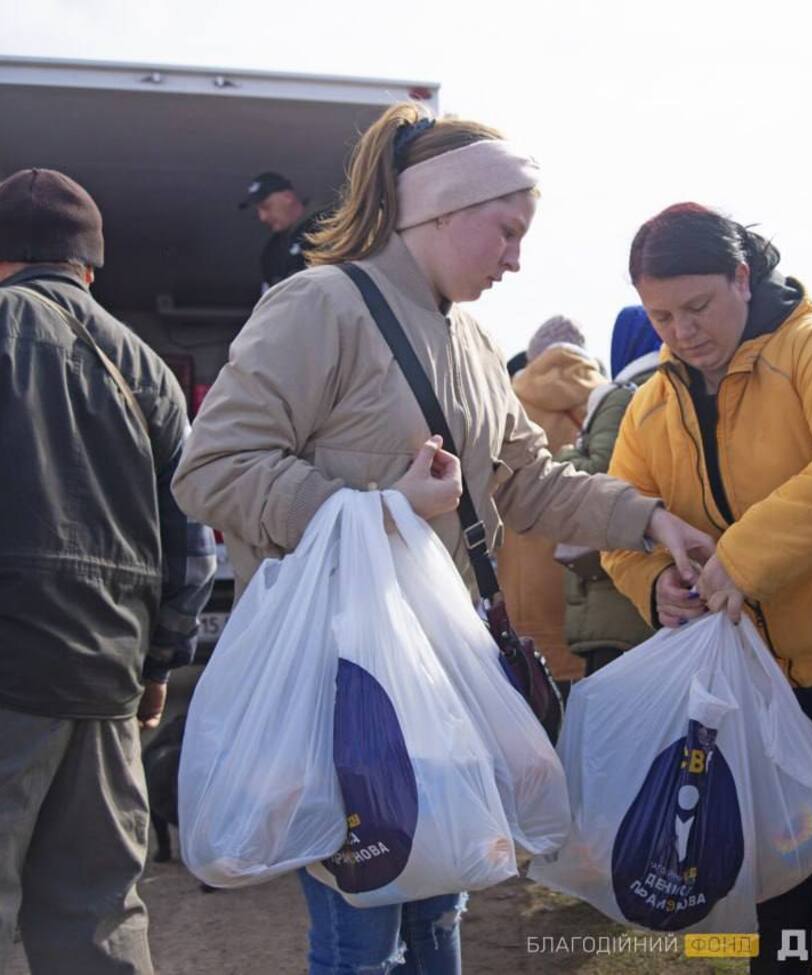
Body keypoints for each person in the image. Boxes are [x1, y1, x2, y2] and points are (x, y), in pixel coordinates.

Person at [172, 105, 713, 975]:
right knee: (361, 940)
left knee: (439, 919)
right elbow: (211, 467)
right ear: (440, 211)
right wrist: (381, 506)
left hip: (444, 680)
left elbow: (532, 484)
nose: (517, 257)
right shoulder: (317, 305)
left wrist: (649, 519)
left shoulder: (472, 339)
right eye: (506, 230)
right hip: (346, 694)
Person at [602, 203, 812, 974]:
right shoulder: (652, 400)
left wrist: (746, 556)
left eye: (697, 307)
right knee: (774, 888)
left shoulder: (810, 347)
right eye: (660, 315)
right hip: (757, 682)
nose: (681, 332)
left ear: (741, 277)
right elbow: (621, 519)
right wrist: (654, 581)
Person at [0, 168, 217, 974]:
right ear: (89, 266)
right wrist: (159, 664)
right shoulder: (147, 371)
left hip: (8, 674)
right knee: (98, 919)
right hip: (105, 686)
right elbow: (192, 544)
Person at [553, 306, 662, 675]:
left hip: (615, 592)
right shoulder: (675, 389)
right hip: (652, 581)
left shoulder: (624, 395)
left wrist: (567, 453)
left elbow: (599, 475)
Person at [497, 314, 605, 683]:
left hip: (519, 585)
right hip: (588, 580)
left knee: (533, 698)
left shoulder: (507, 405)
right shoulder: (605, 403)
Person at [238, 170, 327, 292]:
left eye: (266, 207)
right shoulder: (271, 251)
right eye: (258, 210)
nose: (262, 217)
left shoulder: (327, 226)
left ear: (287, 197)